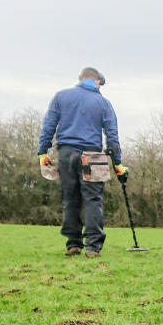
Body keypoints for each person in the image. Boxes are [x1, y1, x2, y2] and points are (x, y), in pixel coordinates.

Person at [38, 67, 127, 258]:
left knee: (71, 199)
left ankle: (73, 245)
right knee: (93, 199)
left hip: (66, 152)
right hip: (93, 153)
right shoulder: (103, 103)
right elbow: (112, 135)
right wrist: (117, 163)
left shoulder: (61, 97)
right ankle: (93, 247)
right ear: (96, 81)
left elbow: (49, 126)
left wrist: (42, 152)